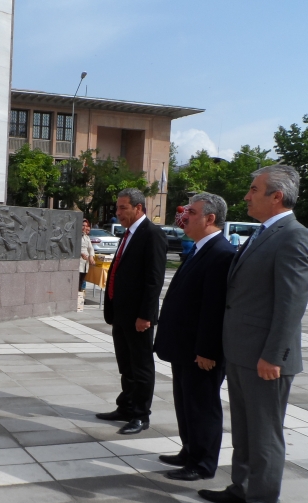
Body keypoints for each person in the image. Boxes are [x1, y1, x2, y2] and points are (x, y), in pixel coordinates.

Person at [198, 166, 308, 503]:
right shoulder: (265, 233)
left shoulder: (293, 237)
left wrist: (273, 355)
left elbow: (291, 305)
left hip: (265, 359)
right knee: (246, 430)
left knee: (265, 436)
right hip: (243, 352)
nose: (247, 196)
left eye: (253, 189)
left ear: (276, 196)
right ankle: (244, 488)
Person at [154, 193, 235, 481]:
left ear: (210, 218)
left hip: (201, 352)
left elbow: (214, 309)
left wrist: (207, 350)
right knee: (186, 402)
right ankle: (189, 450)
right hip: (184, 348)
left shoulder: (221, 254)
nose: (184, 216)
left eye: (192, 211)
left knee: (202, 406)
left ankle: (202, 463)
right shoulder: (201, 248)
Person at [97, 188, 167, 435]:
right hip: (121, 314)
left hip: (138, 317)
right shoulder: (128, 235)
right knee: (126, 365)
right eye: (117, 208)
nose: (118, 213)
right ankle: (125, 406)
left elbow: (154, 279)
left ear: (139, 208)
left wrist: (146, 315)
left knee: (141, 366)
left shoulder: (152, 234)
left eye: (123, 208)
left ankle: (140, 415)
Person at [80, 219, 95, 291]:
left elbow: (91, 248)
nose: (84, 227)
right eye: (83, 225)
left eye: (86, 226)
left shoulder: (86, 237)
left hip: (85, 263)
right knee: (78, 281)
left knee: (82, 279)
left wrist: (91, 257)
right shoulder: (77, 235)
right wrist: (81, 254)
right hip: (79, 261)